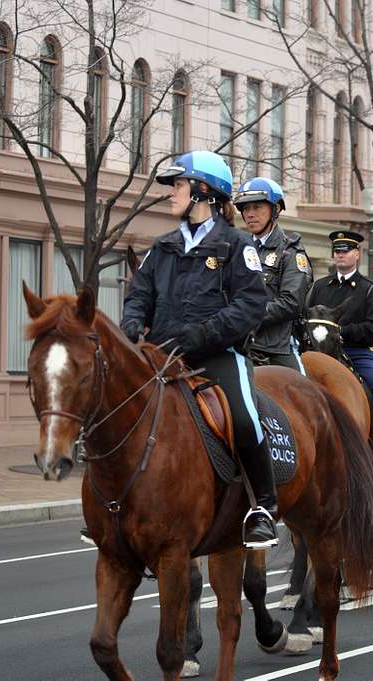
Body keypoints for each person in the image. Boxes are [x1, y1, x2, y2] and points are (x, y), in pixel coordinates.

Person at [120, 150, 278, 549]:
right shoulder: (163, 247)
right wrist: (133, 322)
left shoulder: (236, 245)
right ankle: (117, 504)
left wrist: (202, 335)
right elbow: (138, 295)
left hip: (217, 355)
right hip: (162, 357)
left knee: (244, 418)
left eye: (178, 185)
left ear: (203, 192)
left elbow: (250, 305)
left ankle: (262, 506)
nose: (171, 194)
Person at [305, 231, 373, 471]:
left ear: (357, 255)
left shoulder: (369, 289)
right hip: (319, 354)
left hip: (355, 351)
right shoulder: (320, 287)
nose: (339, 255)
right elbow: (306, 318)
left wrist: (342, 333)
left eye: (345, 251)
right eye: (337, 251)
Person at [234, 177, 312, 374]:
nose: (250, 214)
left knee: (304, 396)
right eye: (245, 208)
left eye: (257, 207)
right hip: (236, 341)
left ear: (275, 209)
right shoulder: (237, 249)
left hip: (276, 348)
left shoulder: (290, 252)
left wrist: (248, 315)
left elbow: (291, 302)